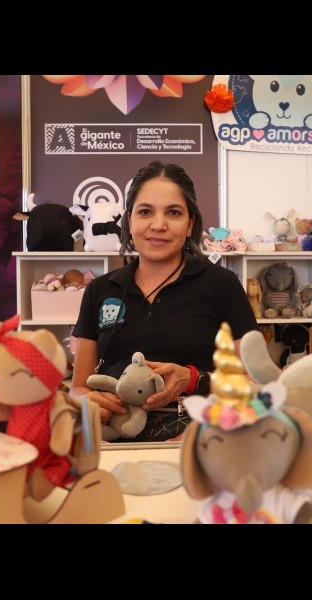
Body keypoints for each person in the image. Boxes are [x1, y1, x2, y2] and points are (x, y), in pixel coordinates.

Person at [70, 160, 260, 442]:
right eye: (145, 212)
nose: (158, 225)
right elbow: (78, 388)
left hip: (197, 441)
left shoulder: (222, 285)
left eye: (173, 212)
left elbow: (254, 381)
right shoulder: (100, 290)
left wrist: (194, 380)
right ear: (130, 221)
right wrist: (86, 402)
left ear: (190, 224)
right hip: (112, 442)